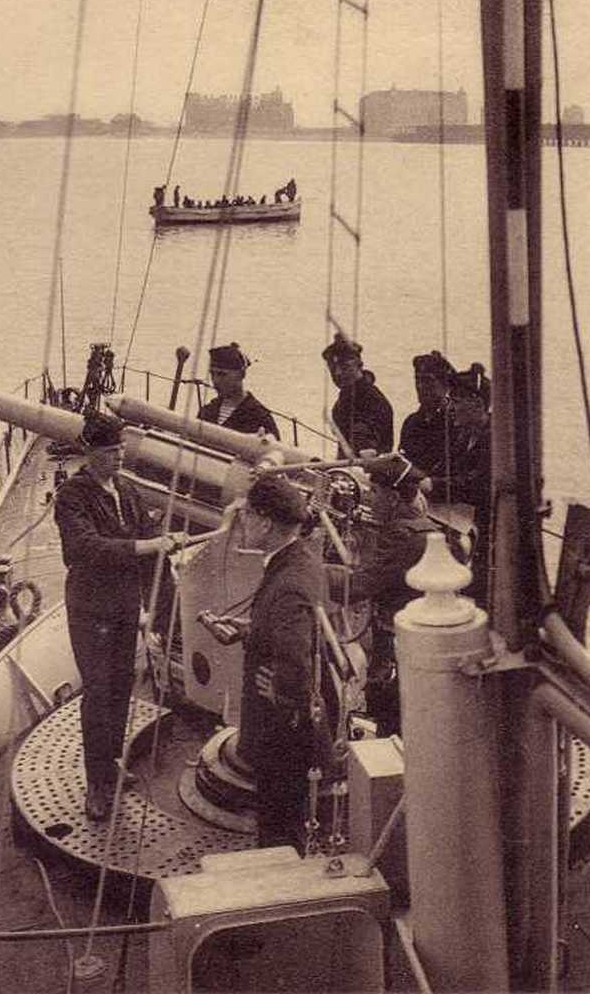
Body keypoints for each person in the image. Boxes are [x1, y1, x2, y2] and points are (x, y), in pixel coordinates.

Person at [54, 412, 179, 822]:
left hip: (125, 607)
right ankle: (97, 784)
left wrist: (156, 610)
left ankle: (111, 766)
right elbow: (87, 549)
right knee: (98, 693)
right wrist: (150, 545)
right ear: (91, 451)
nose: (120, 457)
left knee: (123, 688)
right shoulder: (72, 496)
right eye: (111, 451)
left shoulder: (127, 490)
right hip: (91, 609)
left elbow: (148, 548)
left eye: (122, 449)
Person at [237, 475, 334, 852]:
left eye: (246, 514)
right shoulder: (302, 560)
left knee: (278, 827)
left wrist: (281, 689)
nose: (241, 521)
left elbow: (294, 657)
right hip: (291, 727)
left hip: (280, 734)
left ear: (265, 522)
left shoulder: (288, 581)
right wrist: (252, 630)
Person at [326, 453, 437, 734]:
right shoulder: (423, 527)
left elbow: (361, 586)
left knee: (386, 707)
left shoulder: (401, 536)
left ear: (394, 497)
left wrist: (314, 573)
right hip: (414, 638)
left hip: (395, 641)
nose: (370, 499)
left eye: (375, 492)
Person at [420, 363, 491, 608]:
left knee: (481, 592)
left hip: (485, 528)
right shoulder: (463, 436)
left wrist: (434, 485)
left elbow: (477, 484)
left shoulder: (492, 439)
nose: (453, 407)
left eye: (458, 401)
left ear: (478, 404)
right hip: (460, 523)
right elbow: (446, 469)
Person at [322, 333, 394, 458]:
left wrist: (364, 447)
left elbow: (364, 438)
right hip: (347, 470)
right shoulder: (342, 401)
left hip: (370, 471)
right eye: (332, 368)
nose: (337, 373)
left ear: (359, 365)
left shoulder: (371, 398)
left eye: (344, 367)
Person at [198, 343, 280, 439]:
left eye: (222, 374)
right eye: (212, 374)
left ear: (241, 374)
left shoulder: (259, 417)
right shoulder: (207, 412)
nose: (215, 380)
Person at [399, 350, 457, 475]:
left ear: (445, 385)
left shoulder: (456, 422)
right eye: (417, 380)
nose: (420, 386)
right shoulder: (411, 423)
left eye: (427, 380)